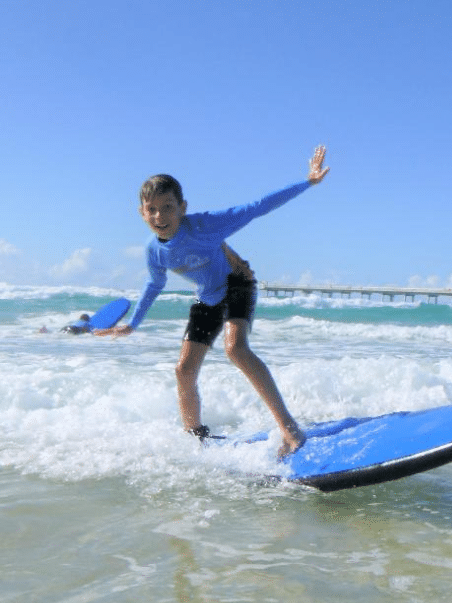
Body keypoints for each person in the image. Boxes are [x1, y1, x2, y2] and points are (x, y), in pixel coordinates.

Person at [99, 145, 330, 457]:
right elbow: (154, 284)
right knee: (183, 371)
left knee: (235, 348)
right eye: (151, 209)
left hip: (238, 283)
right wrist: (133, 324)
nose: (160, 216)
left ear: (182, 207)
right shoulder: (153, 251)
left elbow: (257, 207)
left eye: (167, 207)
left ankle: (290, 430)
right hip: (206, 298)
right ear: (142, 213)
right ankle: (196, 439)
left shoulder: (205, 226)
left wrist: (308, 182)